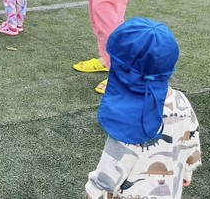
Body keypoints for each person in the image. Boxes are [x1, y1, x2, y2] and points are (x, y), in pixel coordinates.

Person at [85, 17, 201, 199]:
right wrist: (187, 170)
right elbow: (191, 137)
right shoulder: (181, 100)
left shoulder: (128, 115)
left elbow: (112, 168)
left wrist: (93, 192)